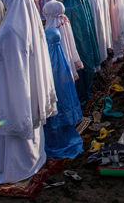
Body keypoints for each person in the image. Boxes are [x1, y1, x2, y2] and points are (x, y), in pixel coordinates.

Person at [0, 0, 57, 185]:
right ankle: (30, 158)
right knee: (28, 126)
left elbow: (14, 71)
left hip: (12, 91)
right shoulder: (29, 25)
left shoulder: (11, 31)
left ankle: (16, 166)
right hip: (26, 91)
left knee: (13, 128)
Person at [42, 28, 83, 159]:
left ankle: (53, 141)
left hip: (51, 96)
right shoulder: (61, 55)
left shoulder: (46, 58)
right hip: (63, 96)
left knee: (53, 116)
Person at [59, 0, 100, 104]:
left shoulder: (68, 7)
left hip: (76, 42)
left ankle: (82, 93)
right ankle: (87, 88)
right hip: (85, 39)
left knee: (79, 64)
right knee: (86, 60)